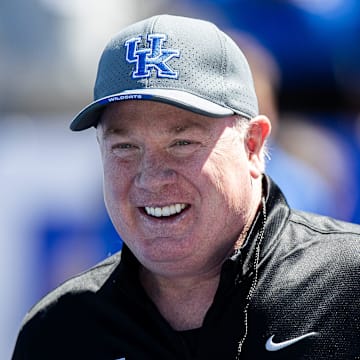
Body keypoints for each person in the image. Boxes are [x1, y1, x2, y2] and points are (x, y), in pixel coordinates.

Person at [12, 14, 360, 360]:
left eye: (182, 143)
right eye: (125, 147)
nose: (151, 177)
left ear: (252, 145)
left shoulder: (349, 287)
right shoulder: (59, 331)